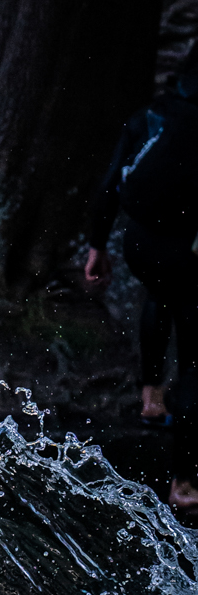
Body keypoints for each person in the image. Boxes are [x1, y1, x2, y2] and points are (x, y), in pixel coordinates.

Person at [84, 39, 198, 519]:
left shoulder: (154, 114)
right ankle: (187, 482)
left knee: (161, 298)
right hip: (189, 250)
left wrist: (96, 243)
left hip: (141, 244)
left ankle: (151, 398)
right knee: (195, 360)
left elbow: (111, 179)